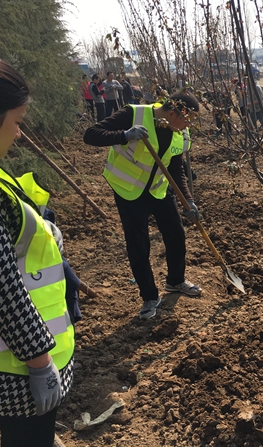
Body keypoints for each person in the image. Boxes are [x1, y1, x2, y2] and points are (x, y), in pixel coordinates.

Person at [0, 55, 73, 447]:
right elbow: (0, 287)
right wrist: (40, 363)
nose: (19, 132)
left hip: (5, 359)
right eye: (15, 121)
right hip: (14, 364)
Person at [83, 92, 203, 320]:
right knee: (139, 245)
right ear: (172, 113)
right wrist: (124, 135)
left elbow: (175, 166)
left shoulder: (180, 131)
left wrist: (188, 200)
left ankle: (175, 281)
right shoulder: (134, 114)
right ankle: (149, 296)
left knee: (176, 234)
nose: (188, 126)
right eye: (187, 120)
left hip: (158, 188)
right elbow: (91, 135)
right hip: (129, 191)